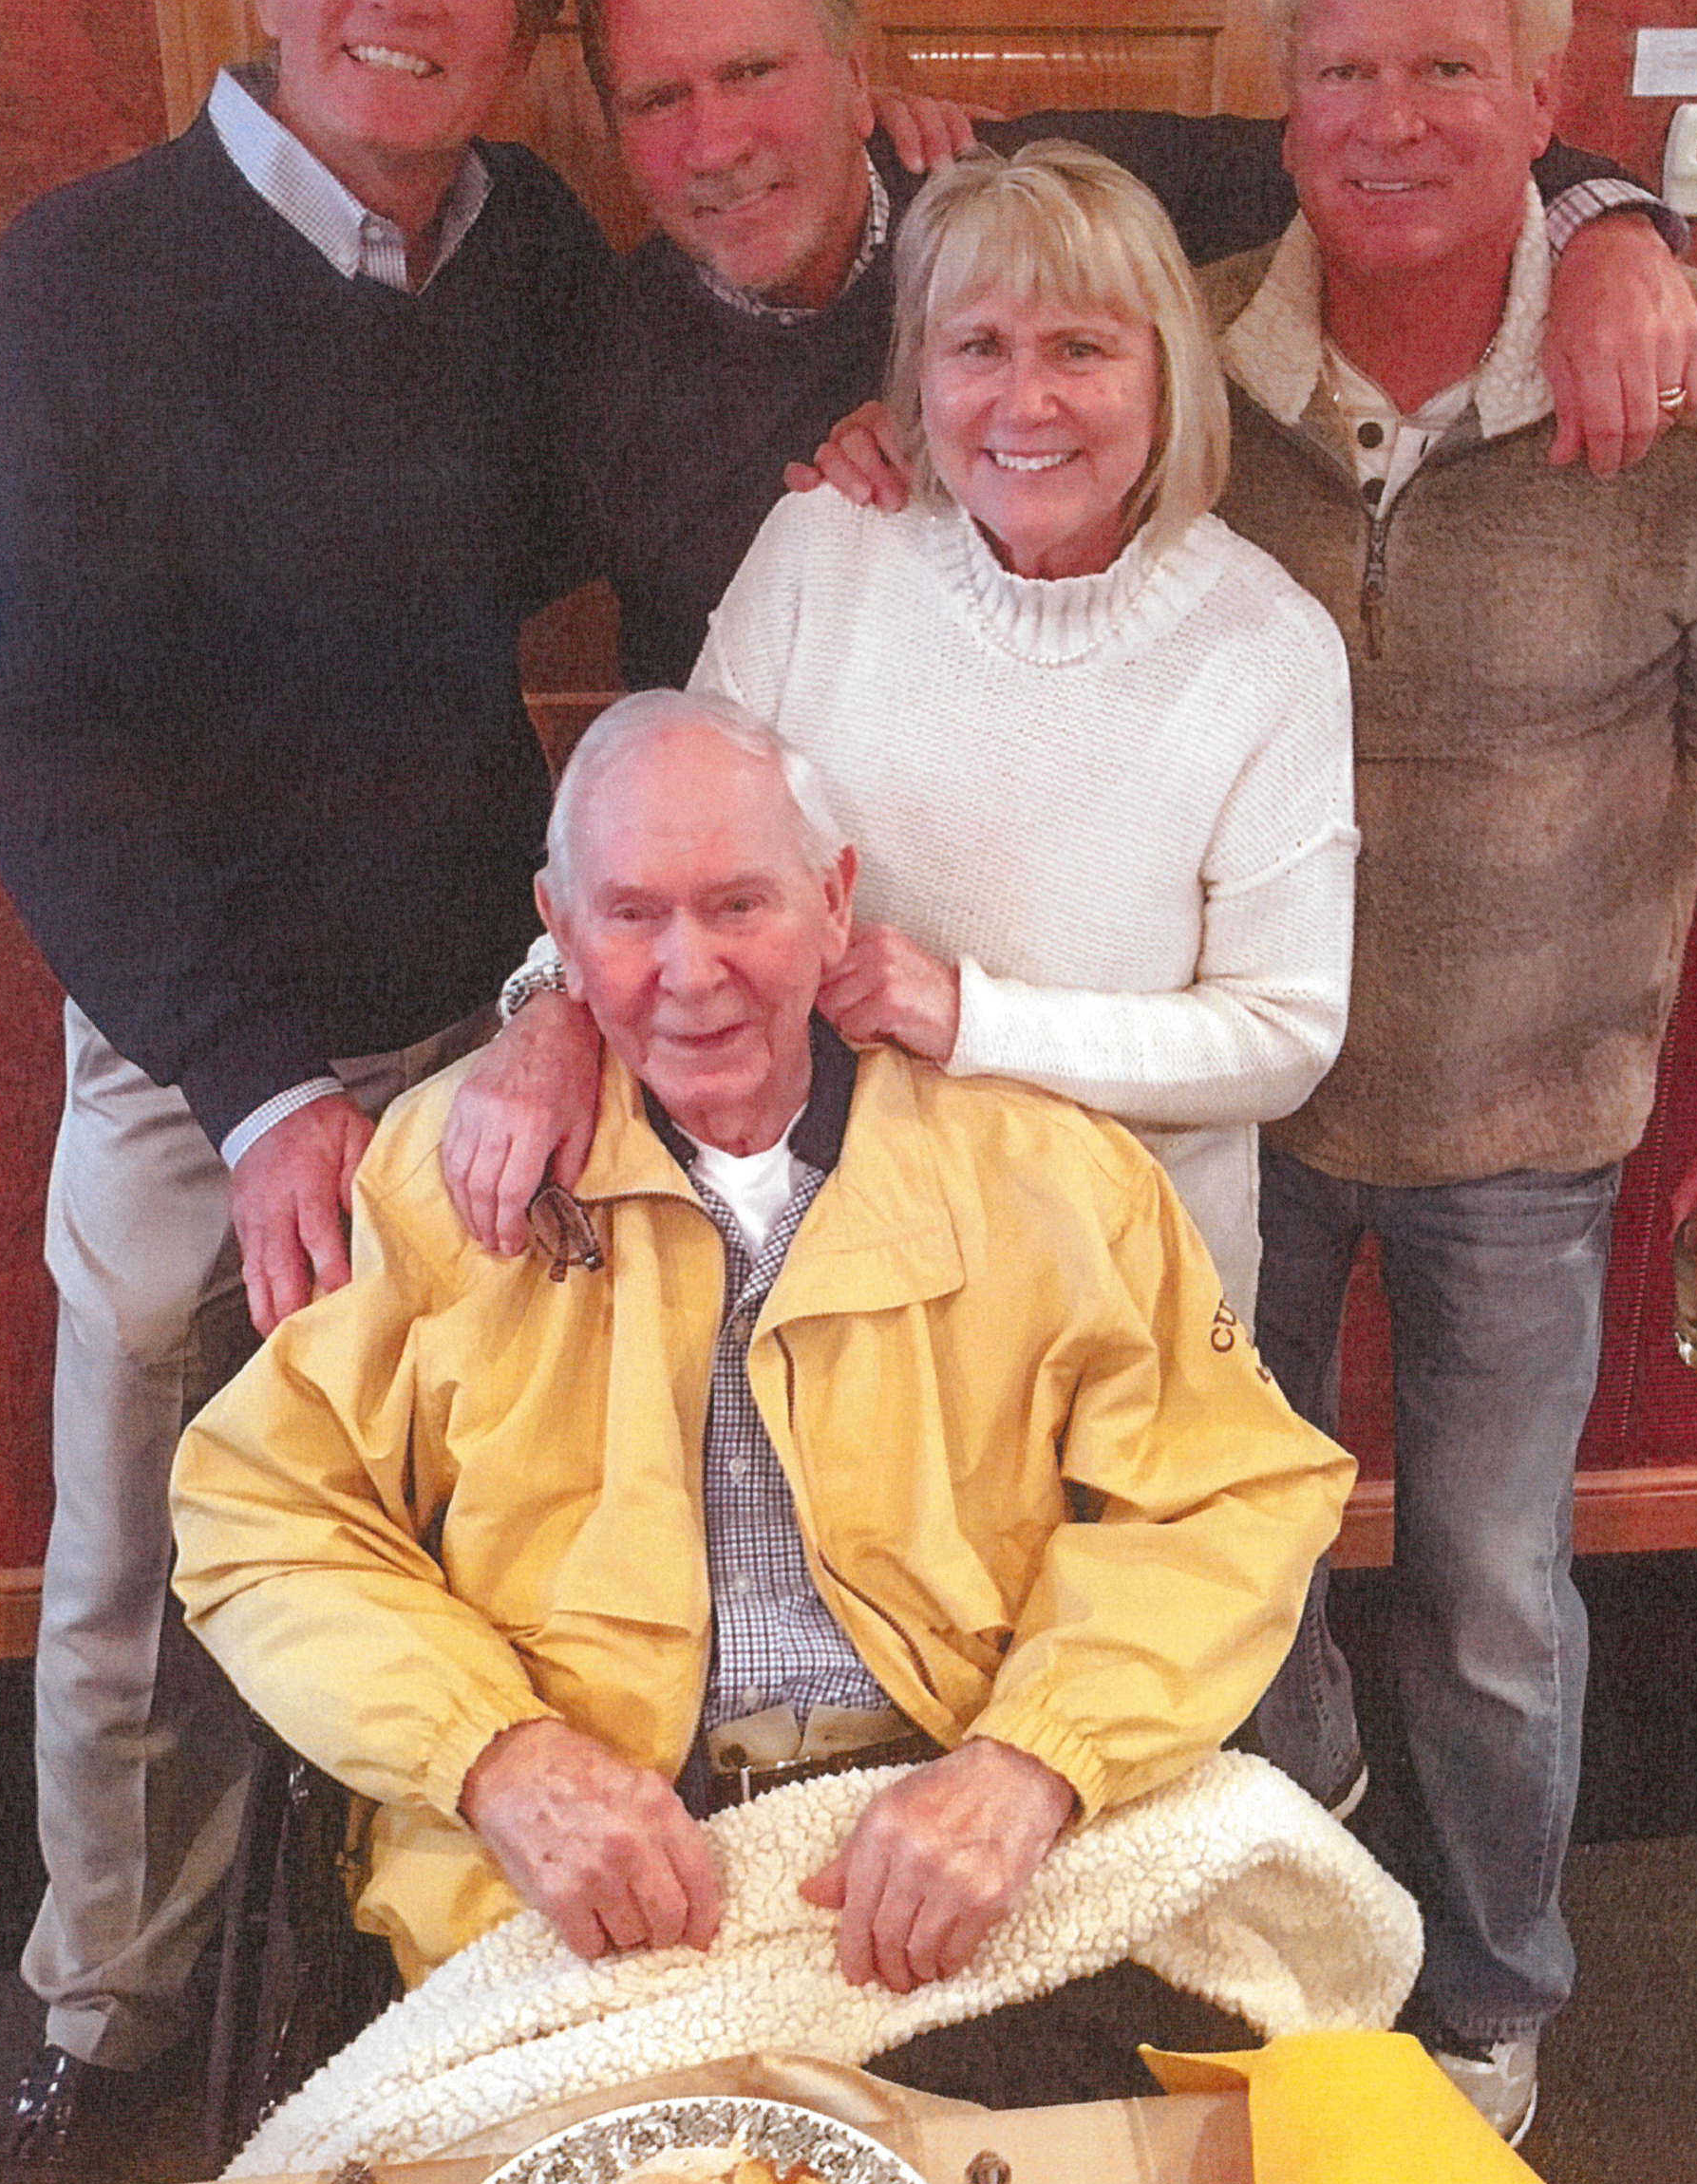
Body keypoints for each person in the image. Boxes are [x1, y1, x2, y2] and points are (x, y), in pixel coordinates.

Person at [440, 0, 1697, 1252]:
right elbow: (664, 823)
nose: (717, 138)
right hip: (834, 1230)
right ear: (915, 373)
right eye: (658, 100)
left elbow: (1377, 147)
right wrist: (552, 1008)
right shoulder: (720, 466)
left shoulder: (1058, 222)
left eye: (754, 72)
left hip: (1132, 1265)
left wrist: (1605, 223)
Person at [169, 695, 1357, 2099]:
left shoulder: (1041, 1171)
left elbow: (1231, 1491)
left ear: (833, 901)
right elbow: (264, 1519)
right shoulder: (446, 1182)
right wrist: (500, 1760)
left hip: (939, 1837)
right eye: (629, 917)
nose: (689, 972)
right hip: (587, 1887)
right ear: (556, 927)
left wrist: (1031, 1764)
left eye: (740, 904)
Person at [0, 0, 602, 2184]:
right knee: (145, 1521)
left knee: (504, 1498)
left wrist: (1592, 189)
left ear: (515, 27)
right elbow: (34, 740)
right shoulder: (84, 280)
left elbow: (717, 404)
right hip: (194, 1049)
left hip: (473, 1014)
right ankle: (112, 2014)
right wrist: (249, 1088)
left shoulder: (527, 251)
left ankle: (422, 1932)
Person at [1199, 0, 1697, 2142]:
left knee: (1487, 1587)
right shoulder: (1180, 356)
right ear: (1275, 105)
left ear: (1542, 96)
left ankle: (1484, 1996)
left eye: (1444, 70)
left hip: (1524, 1110)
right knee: (1224, 1552)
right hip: (1227, 1106)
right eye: (1338, 72)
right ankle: (1292, 1923)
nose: (1384, 121)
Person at [502, 139, 1355, 1322]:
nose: (1024, 401)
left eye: (1079, 349)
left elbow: (1282, 1035)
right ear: (919, 375)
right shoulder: (823, 544)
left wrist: (967, 1016)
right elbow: (649, 843)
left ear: (1164, 375)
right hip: (831, 1271)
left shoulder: (1268, 645)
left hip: (1115, 1292)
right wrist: (546, 1004)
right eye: (977, 348)